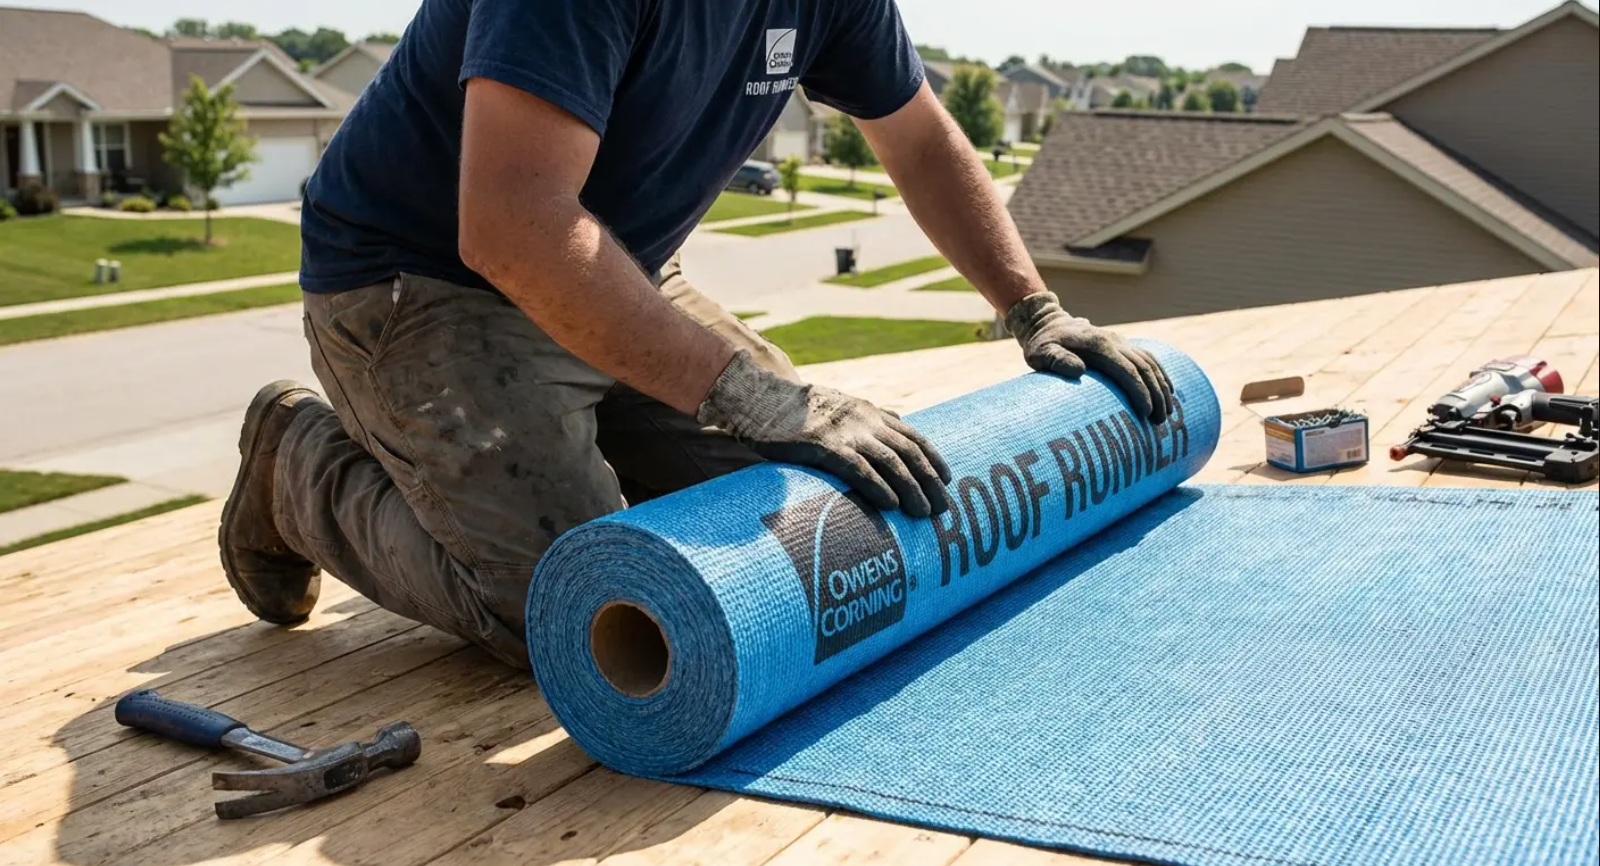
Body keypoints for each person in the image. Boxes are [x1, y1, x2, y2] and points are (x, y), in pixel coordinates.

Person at [220, 0, 1175, 670]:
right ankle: (298, 468)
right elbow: (512, 226)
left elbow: (919, 137)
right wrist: (752, 393)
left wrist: (1033, 308)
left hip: (618, 268)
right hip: (424, 287)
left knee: (812, 535)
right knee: (579, 611)